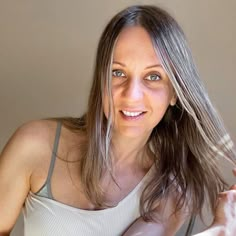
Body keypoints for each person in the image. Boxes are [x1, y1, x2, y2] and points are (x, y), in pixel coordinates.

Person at [0, 4, 236, 236]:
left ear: (175, 92)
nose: (131, 95)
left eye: (153, 76)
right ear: (101, 79)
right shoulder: (34, 145)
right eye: (118, 73)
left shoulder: (172, 190)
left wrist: (221, 230)